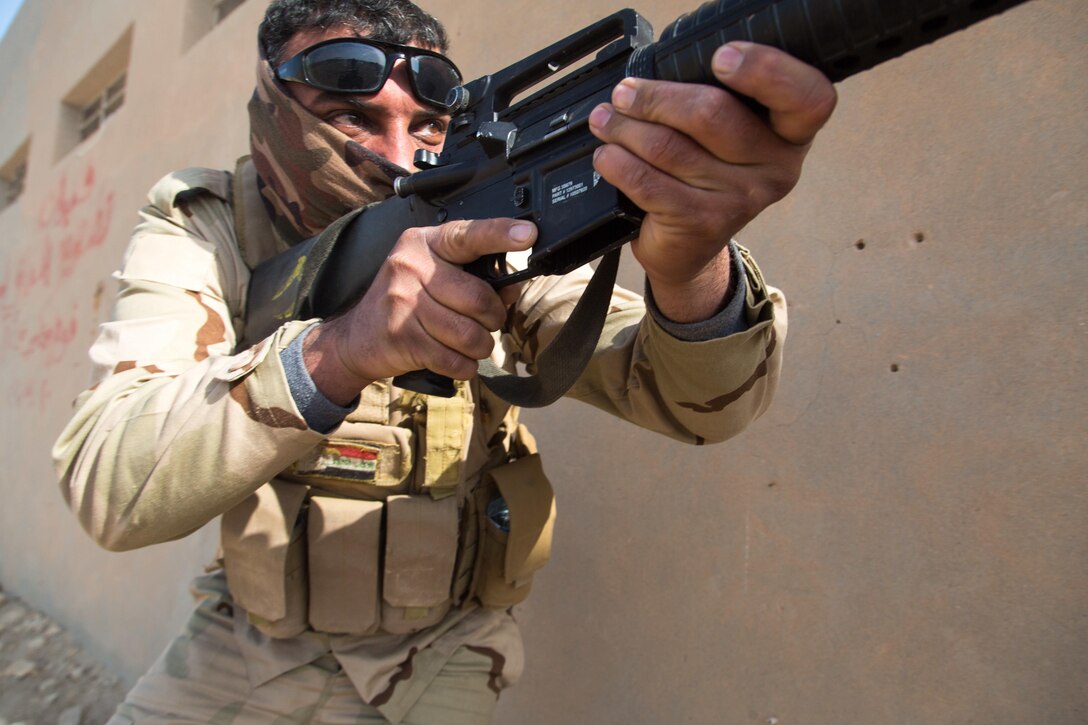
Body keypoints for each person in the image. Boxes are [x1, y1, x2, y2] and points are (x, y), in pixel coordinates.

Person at [52, 0, 835, 722]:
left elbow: (696, 401)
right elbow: (110, 479)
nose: (400, 155)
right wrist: (343, 347)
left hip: (441, 654)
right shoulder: (204, 225)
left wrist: (690, 263)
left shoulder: (482, 216)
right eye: (353, 117)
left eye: (427, 125)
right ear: (274, 113)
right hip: (249, 640)